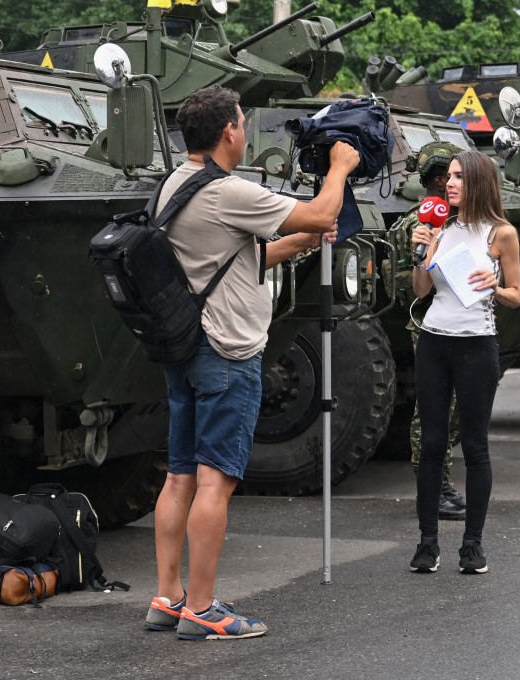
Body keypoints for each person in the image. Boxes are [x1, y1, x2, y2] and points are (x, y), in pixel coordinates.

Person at [145, 86, 359, 640]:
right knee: (216, 483)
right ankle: (205, 607)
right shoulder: (228, 192)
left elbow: (240, 255)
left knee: (180, 476)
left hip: (186, 347)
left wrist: (304, 242)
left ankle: (168, 598)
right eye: (241, 122)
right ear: (228, 133)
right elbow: (322, 208)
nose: (244, 130)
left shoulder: (174, 185)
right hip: (228, 352)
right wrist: (338, 166)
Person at [408, 150, 520, 575]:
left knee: (475, 446)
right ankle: (427, 543)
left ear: (478, 182)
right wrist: (421, 253)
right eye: (448, 177)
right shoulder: (439, 227)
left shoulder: (501, 233)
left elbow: (517, 295)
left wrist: (495, 286)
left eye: (458, 177)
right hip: (434, 343)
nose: (449, 183)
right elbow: (421, 291)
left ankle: (472, 546)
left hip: (477, 345)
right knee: (432, 445)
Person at [397, 143, 467, 521]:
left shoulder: (457, 220)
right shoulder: (421, 223)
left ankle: (440, 480)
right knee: (433, 410)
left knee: (453, 411)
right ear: (441, 179)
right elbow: (419, 282)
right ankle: (433, 486)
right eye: (455, 174)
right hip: (430, 324)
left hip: (460, 325)